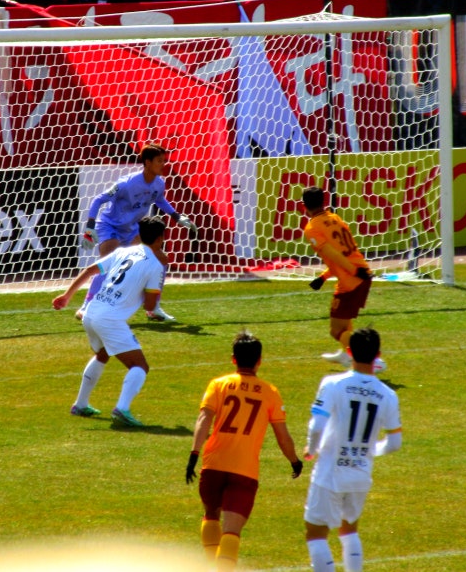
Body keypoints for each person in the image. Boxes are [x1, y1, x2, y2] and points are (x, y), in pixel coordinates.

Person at [185, 330, 302, 571]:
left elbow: (203, 419)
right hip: (244, 470)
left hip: (213, 463)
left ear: (233, 359)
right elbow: (282, 435)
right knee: (231, 531)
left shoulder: (218, 385)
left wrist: (194, 455)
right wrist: (294, 460)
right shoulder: (269, 392)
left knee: (210, 515)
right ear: (259, 360)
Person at [52, 216, 168, 428]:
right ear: (161, 238)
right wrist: (150, 289)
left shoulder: (122, 252)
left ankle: (80, 404)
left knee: (103, 354)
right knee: (139, 366)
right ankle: (122, 409)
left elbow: (90, 270)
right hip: (109, 319)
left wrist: (67, 296)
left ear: (139, 235)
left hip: (91, 312)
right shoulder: (155, 266)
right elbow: (150, 307)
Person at [303, 326, 402, 572]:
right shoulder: (388, 394)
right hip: (360, 473)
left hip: (330, 472)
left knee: (316, 533)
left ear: (348, 351)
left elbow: (317, 425)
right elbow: (394, 443)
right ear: (378, 354)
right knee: (349, 530)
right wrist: (369, 451)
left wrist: (311, 449)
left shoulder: (333, 384)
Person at [79, 143, 196, 322]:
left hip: (132, 229)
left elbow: (160, 200)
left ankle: (153, 307)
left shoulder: (159, 183)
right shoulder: (126, 184)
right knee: (107, 264)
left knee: (160, 259)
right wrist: (90, 226)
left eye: (164, 160)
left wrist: (177, 216)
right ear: (147, 162)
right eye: (159, 161)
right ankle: (87, 306)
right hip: (110, 226)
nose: (163, 164)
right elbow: (98, 200)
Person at [301, 186, 384, 372]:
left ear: (303, 205)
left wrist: (353, 271)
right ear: (323, 201)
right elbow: (344, 252)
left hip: (352, 279)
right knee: (345, 323)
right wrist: (323, 277)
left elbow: (334, 255)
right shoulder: (334, 217)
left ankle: (373, 360)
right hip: (358, 273)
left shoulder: (312, 228)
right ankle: (345, 352)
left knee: (336, 330)